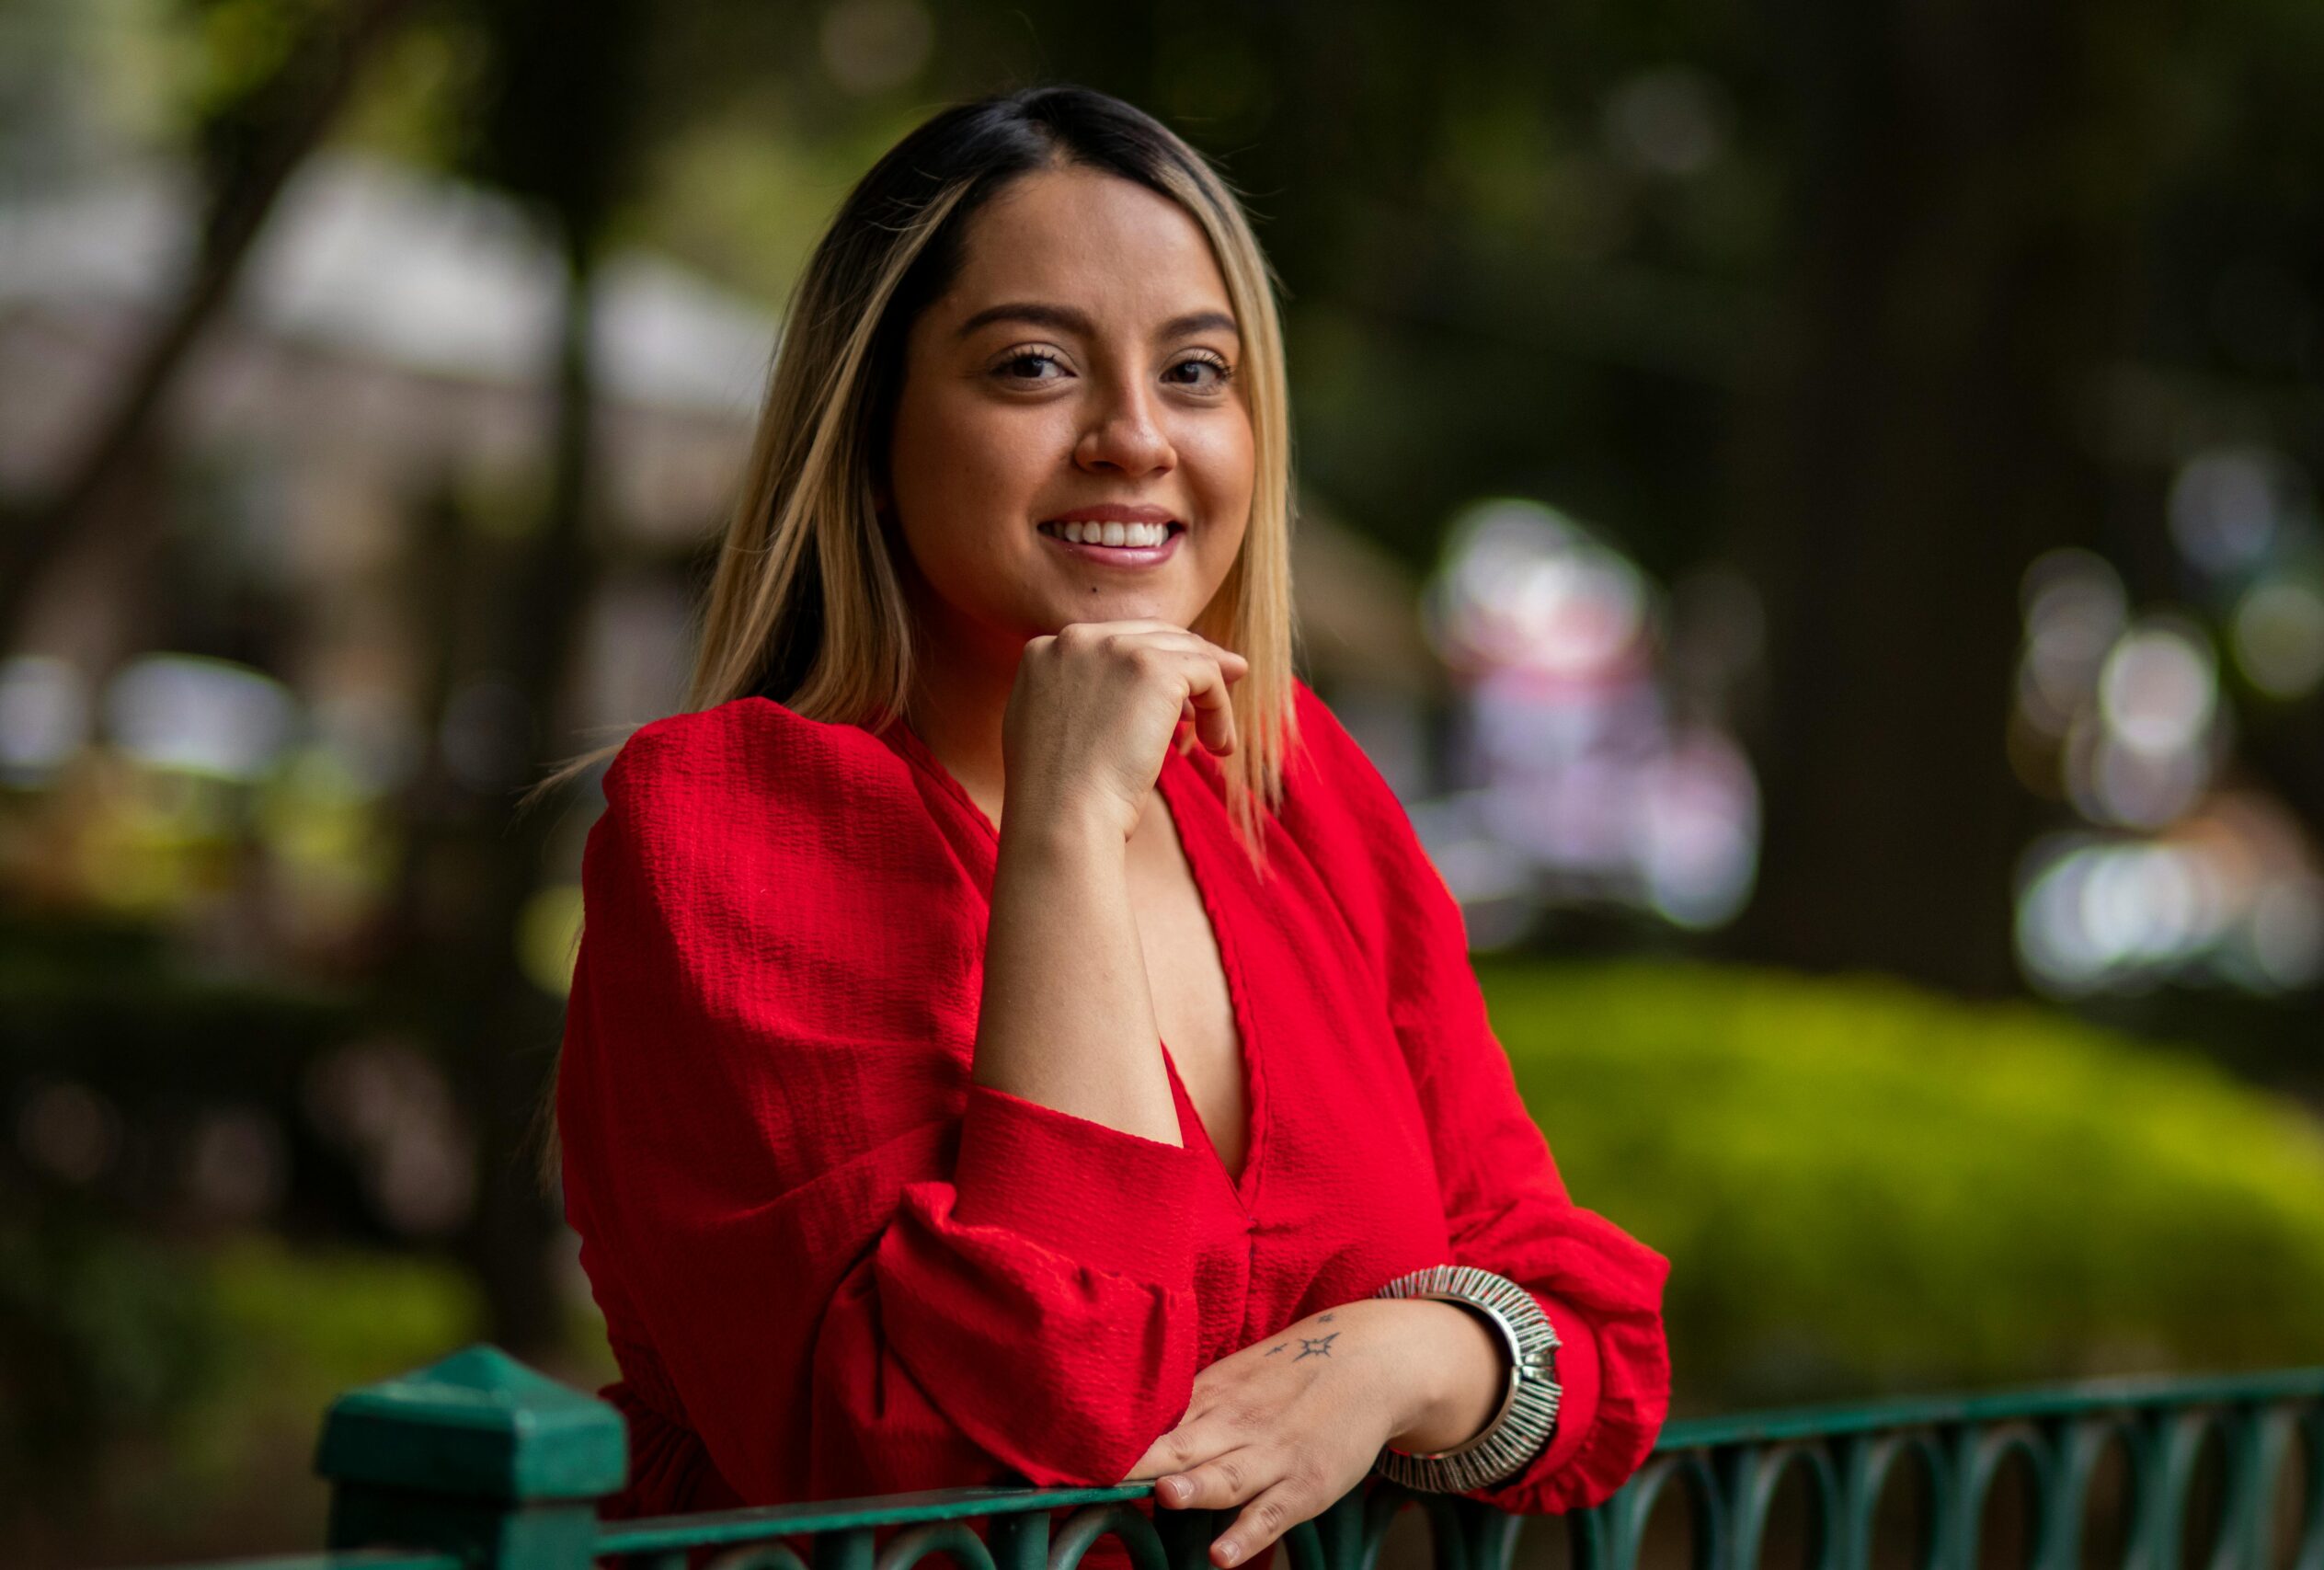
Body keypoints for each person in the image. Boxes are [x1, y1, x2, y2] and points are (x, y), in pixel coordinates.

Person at [545, 84, 1671, 1570]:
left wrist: (1397, 1364)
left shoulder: (1294, 785)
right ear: (872, 419)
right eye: (1032, 368)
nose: (1135, 439)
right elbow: (983, 1471)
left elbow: (1597, 1342)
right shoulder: (731, 823)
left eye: (1197, 373)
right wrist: (1068, 818)